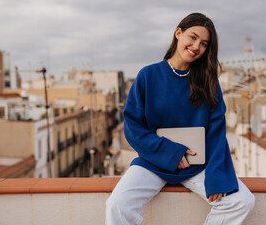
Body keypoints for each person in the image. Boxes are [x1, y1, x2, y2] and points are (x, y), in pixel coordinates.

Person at [106, 12, 255, 225]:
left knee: (242, 201)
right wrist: (170, 153)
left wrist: (217, 175)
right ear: (178, 33)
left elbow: (216, 133)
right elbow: (132, 127)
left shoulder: (208, 83)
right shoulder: (148, 76)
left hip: (197, 166)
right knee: (117, 205)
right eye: (192, 37)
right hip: (153, 162)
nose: (196, 46)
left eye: (204, 43)